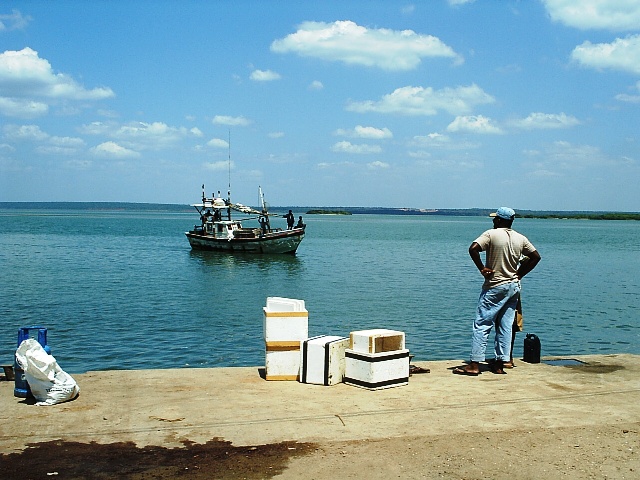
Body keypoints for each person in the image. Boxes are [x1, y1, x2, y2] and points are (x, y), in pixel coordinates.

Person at [453, 207, 541, 376]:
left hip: (495, 285)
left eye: (495, 219)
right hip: (513, 286)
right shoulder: (520, 238)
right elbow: (536, 256)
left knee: (482, 324)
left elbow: (473, 248)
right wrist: (520, 273)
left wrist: (482, 268)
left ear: (500, 220)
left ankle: (474, 364)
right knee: (505, 325)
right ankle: (500, 363)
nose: (493, 221)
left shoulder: (491, 234)